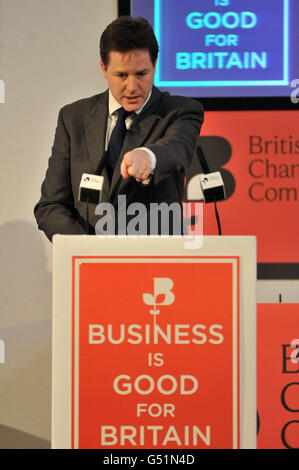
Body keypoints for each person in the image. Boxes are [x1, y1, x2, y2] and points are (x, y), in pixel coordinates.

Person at [34, 16, 204, 241]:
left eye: (141, 74)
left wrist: (148, 156)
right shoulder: (73, 117)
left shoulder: (180, 111)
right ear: (104, 68)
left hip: (155, 262)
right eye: (122, 75)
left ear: (154, 65)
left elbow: (176, 148)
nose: (132, 87)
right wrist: (89, 250)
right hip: (89, 265)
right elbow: (51, 206)